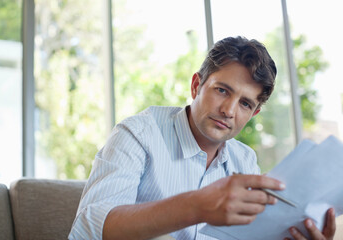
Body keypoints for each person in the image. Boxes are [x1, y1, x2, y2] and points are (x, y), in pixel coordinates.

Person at [69, 36, 336, 240]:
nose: (228, 110)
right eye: (222, 90)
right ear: (196, 85)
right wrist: (198, 205)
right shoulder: (137, 134)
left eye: (245, 104)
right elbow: (89, 227)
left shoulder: (245, 160)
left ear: (254, 113)